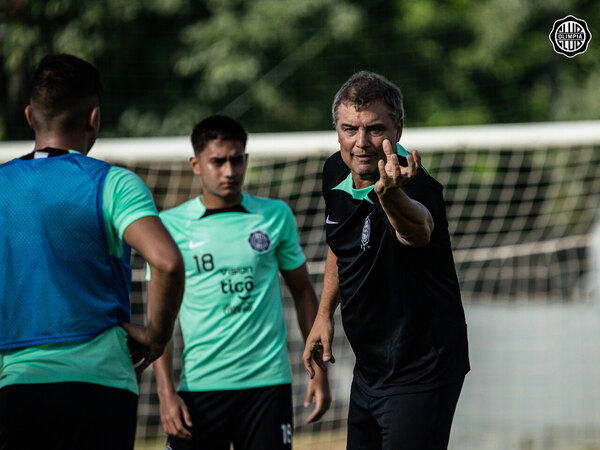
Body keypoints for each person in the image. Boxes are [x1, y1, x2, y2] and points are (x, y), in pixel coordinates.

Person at [0, 54, 185, 450]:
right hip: (101, 385)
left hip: (16, 384)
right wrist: (156, 338)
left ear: (30, 116)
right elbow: (167, 263)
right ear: (94, 118)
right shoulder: (114, 183)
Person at [302, 71, 470, 449]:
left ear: (399, 127)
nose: (361, 143)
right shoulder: (334, 170)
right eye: (349, 129)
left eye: (375, 129)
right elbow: (340, 240)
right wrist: (324, 313)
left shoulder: (416, 184)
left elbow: (417, 232)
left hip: (423, 368)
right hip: (371, 368)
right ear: (337, 129)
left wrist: (390, 195)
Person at [150, 115, 331, 450]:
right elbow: (159, 319)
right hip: (199, 389)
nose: (229, 171)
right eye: (217, 162)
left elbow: (304, 293)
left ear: (246, 160)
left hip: (268, 386)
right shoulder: (168, 226)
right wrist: (165, 392)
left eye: (236, 160)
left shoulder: (275, 216)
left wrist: (319, 371)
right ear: (196, 164)